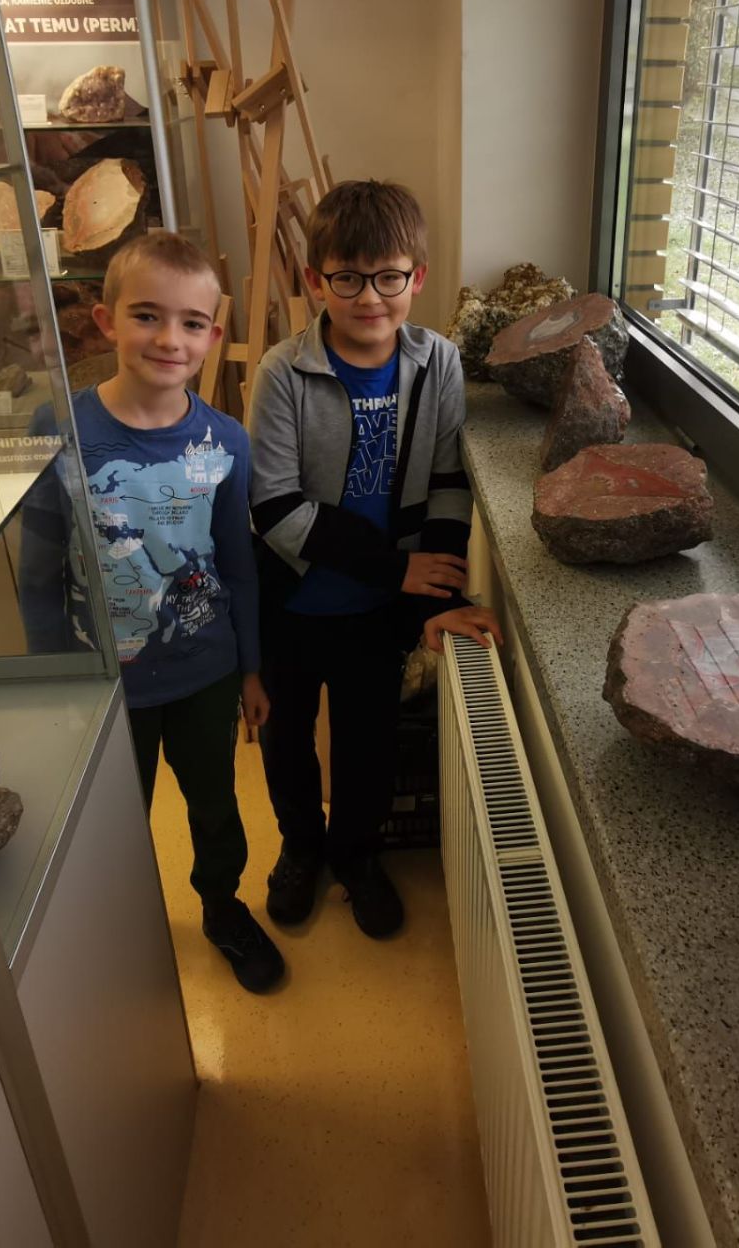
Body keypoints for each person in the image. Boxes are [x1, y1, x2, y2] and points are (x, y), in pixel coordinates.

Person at [18, 230, 283, 992]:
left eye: (191, 323)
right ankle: (117, 928)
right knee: (110, 821)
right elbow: (37, 575)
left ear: (212, 336)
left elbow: (239, 565)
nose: (169, 339)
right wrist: (55, 684)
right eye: (147, 316)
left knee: (215, 806)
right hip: (103, 684)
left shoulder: (226, 441)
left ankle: (222, 908)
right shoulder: (58, 430)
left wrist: (252, 669)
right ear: (106, 321)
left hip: (206, 672)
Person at [249, 180, 500, 939]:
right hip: (292, 603)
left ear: (417, 278)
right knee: (286, 740)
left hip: (374, 614)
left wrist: (434, 601)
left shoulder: (438, 363)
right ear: (314, 280)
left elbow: (449, 484)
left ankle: (356, 855)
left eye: (389, 277)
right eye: (348, 279)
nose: (369, 298)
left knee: (368, 744)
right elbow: (275, 508)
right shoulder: (282, 372)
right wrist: (396, 570)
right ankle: (301, 847)